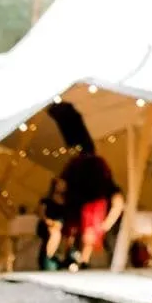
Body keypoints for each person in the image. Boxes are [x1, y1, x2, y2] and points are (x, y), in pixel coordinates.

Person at [48, 102, 123, 269]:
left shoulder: (82, 164)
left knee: (80, 231)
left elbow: (62, 185)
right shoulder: (92, 164)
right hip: (89, 201)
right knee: (82, 231)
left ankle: (79, 259)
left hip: (87, 201)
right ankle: (80, 259)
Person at [36, 177, 68, 269]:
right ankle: (49, 256)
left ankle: (55, 257)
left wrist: (60, 223)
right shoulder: (46, 199)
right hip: (46, 224)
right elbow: (41, 214)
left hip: (60, 224)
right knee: (55, 233)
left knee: (59, 233)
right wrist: (50, 222)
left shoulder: (65, 199)